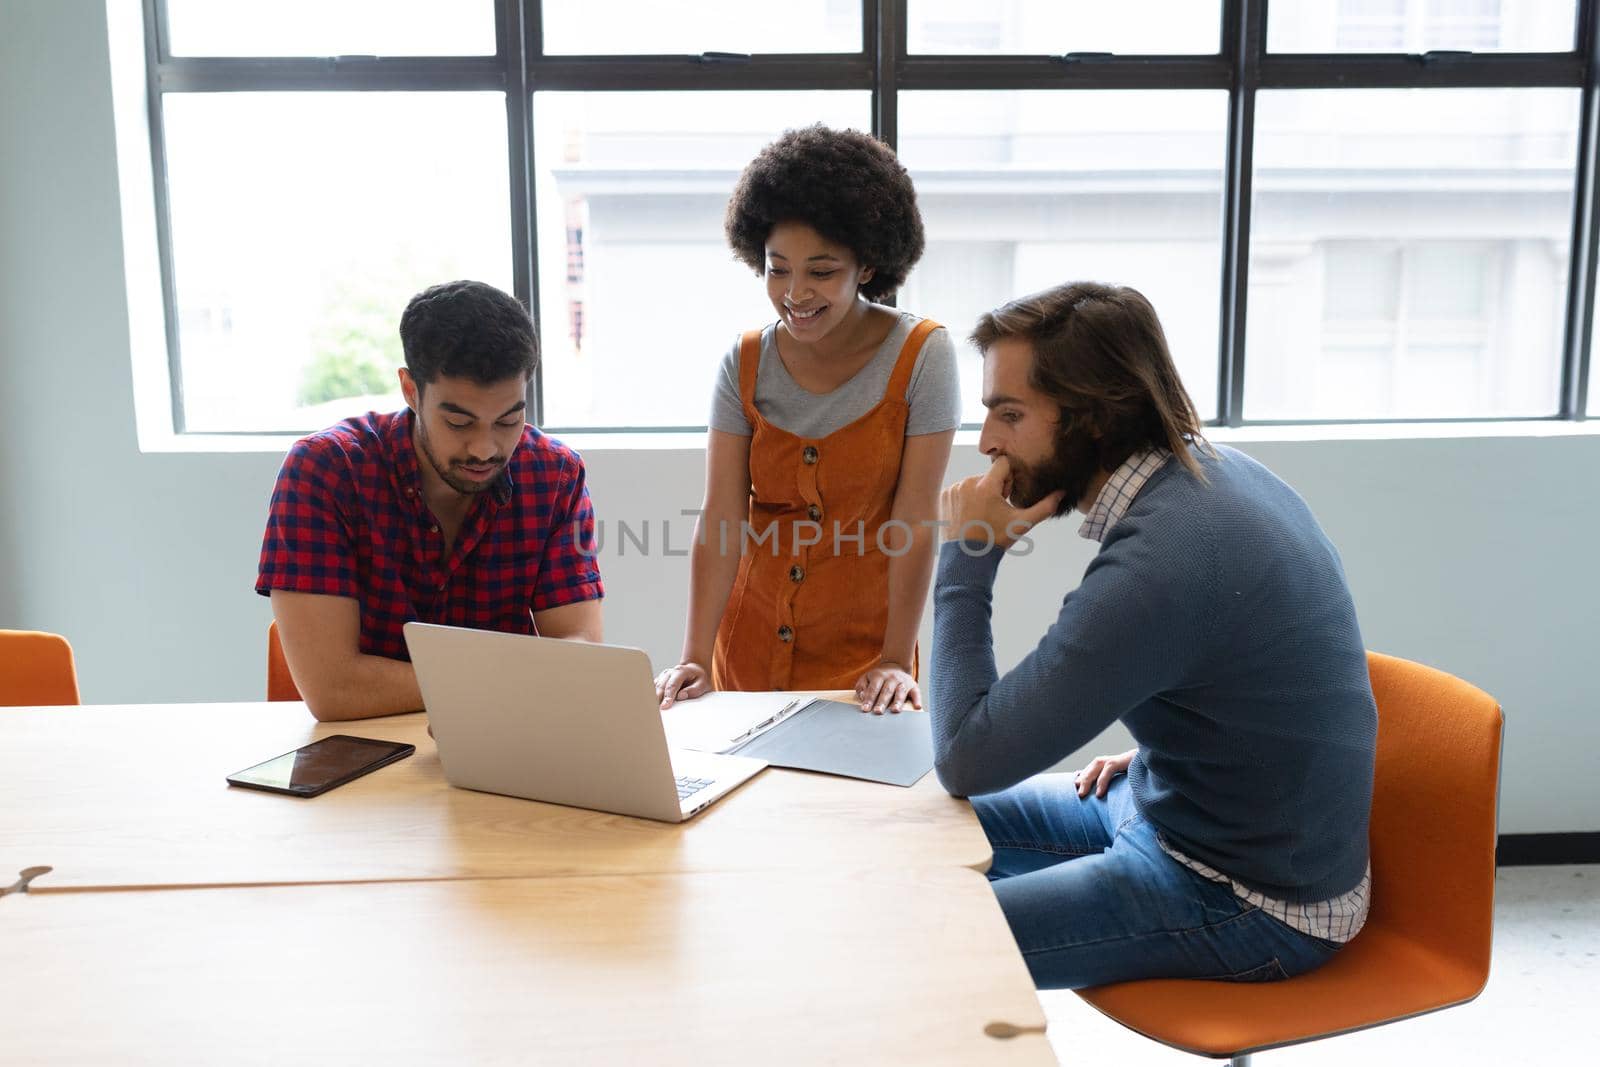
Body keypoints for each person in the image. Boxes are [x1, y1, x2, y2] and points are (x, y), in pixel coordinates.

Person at [931, 281, 1376, 989]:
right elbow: (1245, 670)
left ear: (1093, 420)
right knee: (913, 830)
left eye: (1009, 414)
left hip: (1249, 900)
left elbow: (966, 756)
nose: (987, 443)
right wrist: (1163, 750)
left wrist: (967, 557)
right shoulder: (1211, 474)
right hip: (1171, 806)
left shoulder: (1166, 558)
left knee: (920, 939)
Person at [654, 125, 959, 714]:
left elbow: (915, 520)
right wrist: (694, 655)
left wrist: (896, 657)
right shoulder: (742, 363)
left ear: (866, 265)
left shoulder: (924, 355)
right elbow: (722, 516)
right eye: (778, 269)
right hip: (744, 651)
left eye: (821, 272)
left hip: (866, 665)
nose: (795, 293)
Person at [257, 280, 604, 721]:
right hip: (361, 750)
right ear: (410, 390)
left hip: (501, 749)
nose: (485, 448)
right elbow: (334, 689)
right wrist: (513, 679)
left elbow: (579, 657)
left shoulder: (556, 476)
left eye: (508, 420)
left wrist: (476, 687)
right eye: (459, 422)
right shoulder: (326, 471)